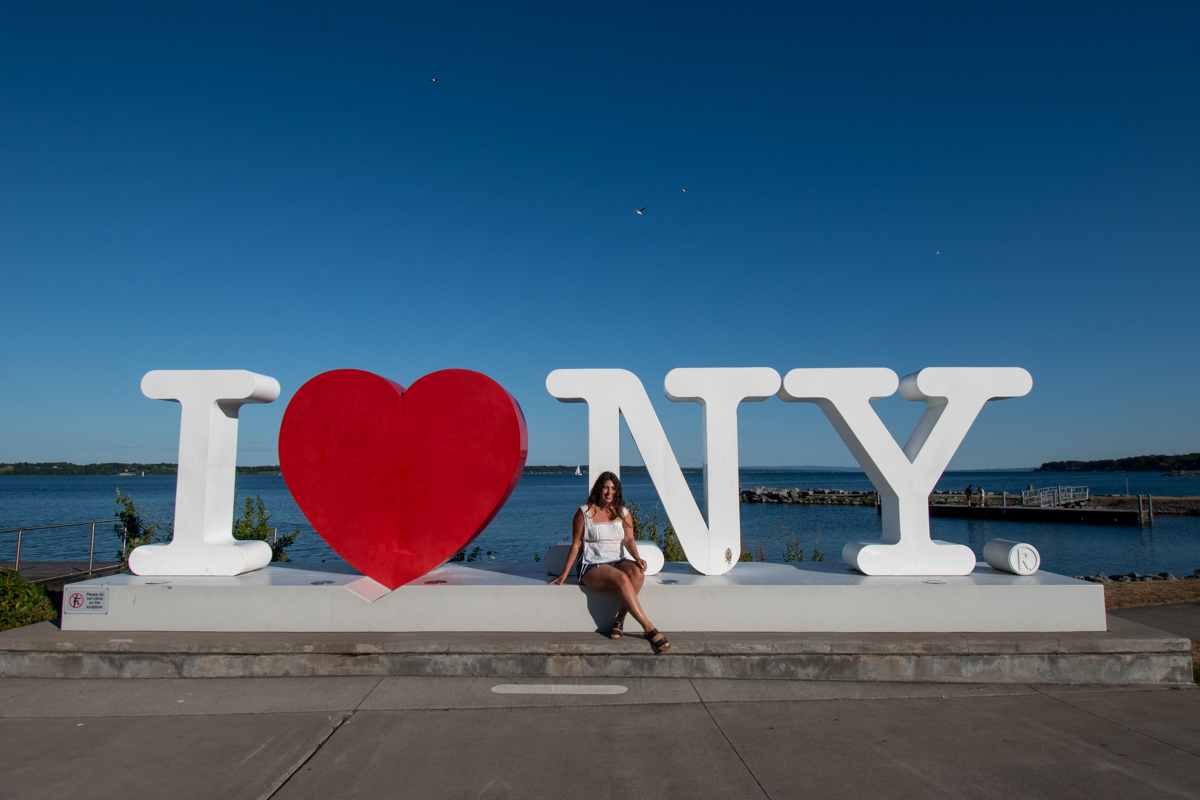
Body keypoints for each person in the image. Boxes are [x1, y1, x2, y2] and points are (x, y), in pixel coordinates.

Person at [549, 471, 671, 654]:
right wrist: (565, 573)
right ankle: (648, 627)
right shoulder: (584, 512)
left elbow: (629, 539)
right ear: (599, 489)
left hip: (617, 560)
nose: (609, 492)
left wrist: (637, 558)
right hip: (592, 564)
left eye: (613, 488)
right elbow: (576, 544)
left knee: (637, 572)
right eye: (605, 487)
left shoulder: (623, 513)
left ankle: (619, 620)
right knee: (622, 578)